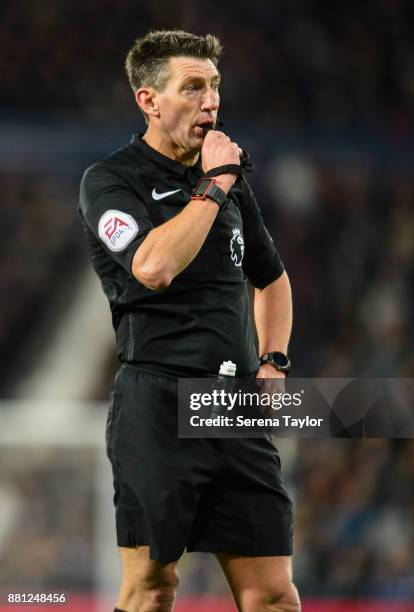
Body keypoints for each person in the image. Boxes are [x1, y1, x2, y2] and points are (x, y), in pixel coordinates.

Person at [78, 29, 299, 612]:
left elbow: (271, 279)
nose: (212, 101)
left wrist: (273, 361)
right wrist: (216, 182)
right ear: (149, 100)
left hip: (233, 406)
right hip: (157, 402)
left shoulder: (228, 181)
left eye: (215, 86)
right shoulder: (111, 181)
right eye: (193, 87)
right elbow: (152, 266)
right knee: (151, 589)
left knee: (273, 595)